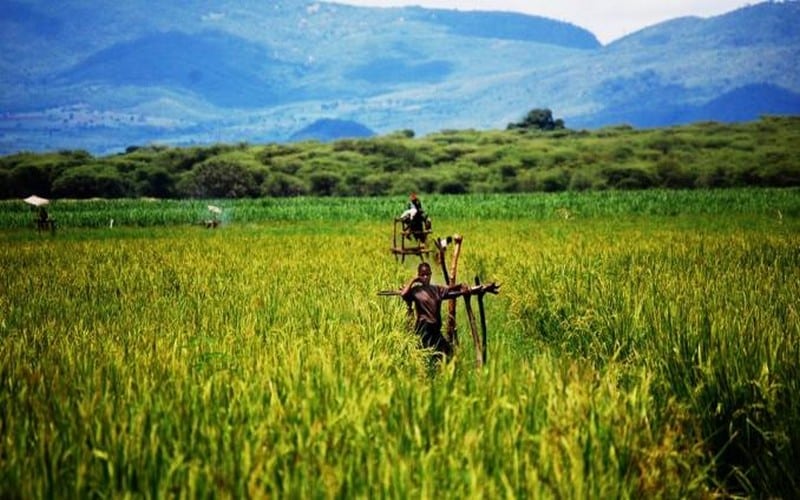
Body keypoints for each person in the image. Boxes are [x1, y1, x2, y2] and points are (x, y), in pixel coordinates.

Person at [400, 262, 500, 363]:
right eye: (422, 275)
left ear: (430, 275)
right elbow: (404, 294)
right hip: (424, 331)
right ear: (419, 276)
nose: (425, 277)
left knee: (449, 355)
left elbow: (450, 290)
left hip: (435, 331)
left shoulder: (436, 290)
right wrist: (414, 280)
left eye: (427, 274)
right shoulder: (416, 291)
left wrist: (460, 286)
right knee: (424, 357)